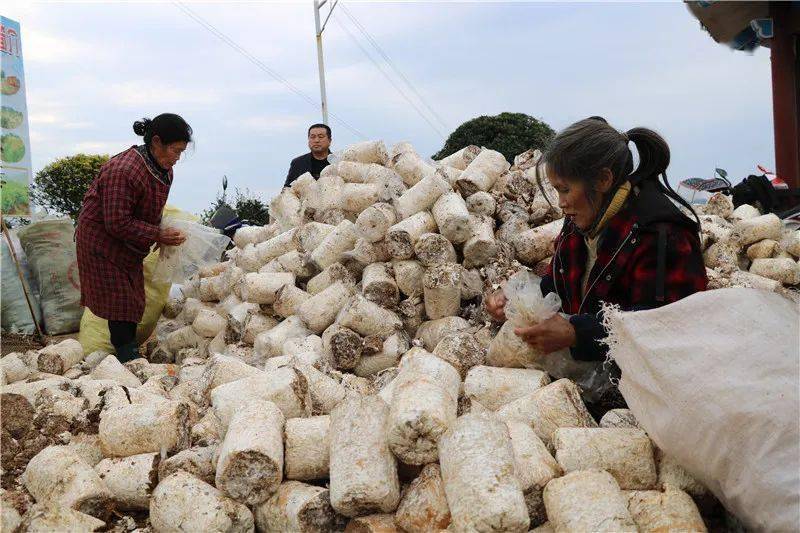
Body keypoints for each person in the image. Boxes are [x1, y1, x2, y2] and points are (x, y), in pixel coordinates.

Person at [485, 117, 708, 416]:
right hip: (592, 378)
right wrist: (521, 299)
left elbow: (666, 328)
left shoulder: (662, 235)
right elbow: (559, 282)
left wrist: (577, 333)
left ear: (603, 180)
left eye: (564, 190)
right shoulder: (583, 219)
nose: (561, 203)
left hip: (649, 399)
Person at [75, 114, 192, 362]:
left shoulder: (164, 171)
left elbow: (152, 209)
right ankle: (126, 356)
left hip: (128, 240)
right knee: (120, 301)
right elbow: (116, 221)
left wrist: (162, 230)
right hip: (101, 240)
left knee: (133, 299)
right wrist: (157, 234)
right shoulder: (124, 170)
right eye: (175, 150)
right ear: (157, 142)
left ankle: (126, 353)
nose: (177, 157)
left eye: (181, 152)